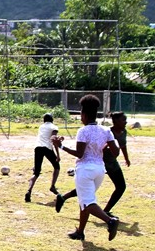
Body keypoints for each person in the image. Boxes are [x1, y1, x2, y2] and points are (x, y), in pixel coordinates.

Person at [51, 95, 120, 241]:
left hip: (85, 170)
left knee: (87, 202)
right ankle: (80, 232)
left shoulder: (83, 131)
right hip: (100, 170)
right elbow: (116, 152)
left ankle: (110, 221)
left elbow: (79, 154)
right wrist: (102, 147)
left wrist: (61, 146)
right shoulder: (106, 130)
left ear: (84, 114)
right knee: (86, 200)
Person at [55, 111, 130, 217]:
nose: (125, 122)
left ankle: (63, 198)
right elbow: (92, 148)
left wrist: (126, 158)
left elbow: (122, 146)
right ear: (116, 121)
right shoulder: (107, 131)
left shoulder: (123, 132)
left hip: (112, 163)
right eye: (123, 120)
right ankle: (104, 214)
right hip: (100, 163)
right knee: (90, 189)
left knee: (119, 187)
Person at [25, 113, 61, 203]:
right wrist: (58, 155)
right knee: (57, 167)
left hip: (37, 147)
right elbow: (54, 140)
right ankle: (52, 186)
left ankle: (29, 191)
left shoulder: (41, 126)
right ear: (52, 119)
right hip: (47, 148)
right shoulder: (54, 127)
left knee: (36, 172)